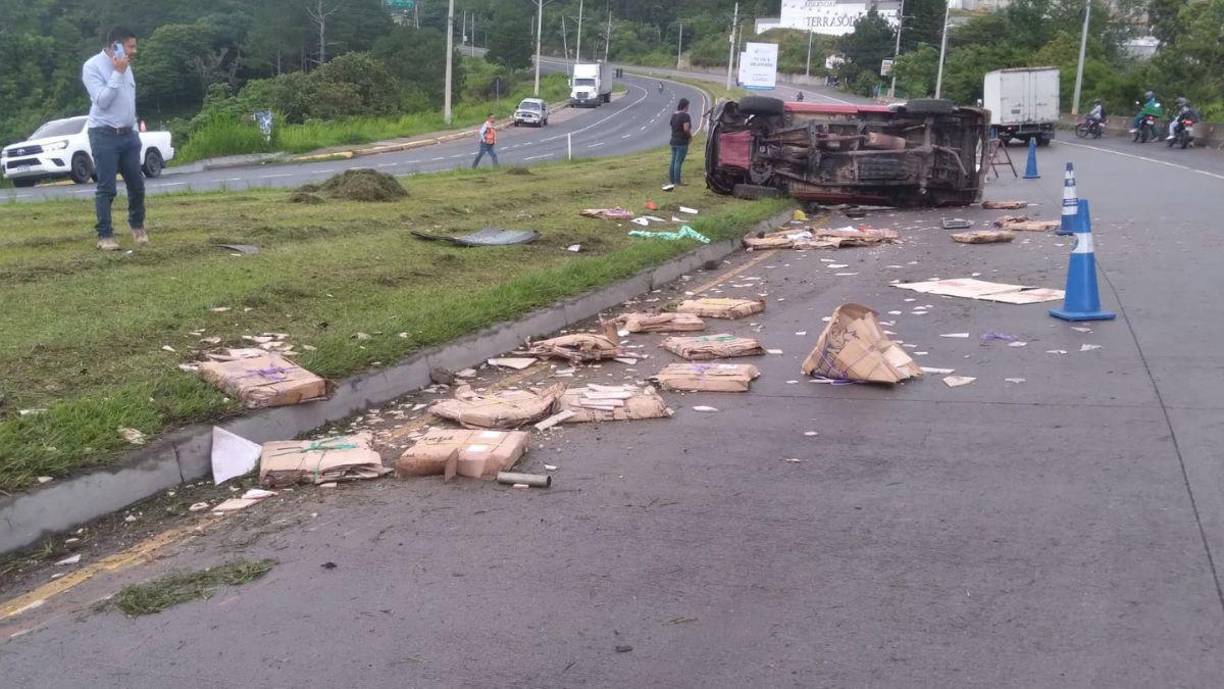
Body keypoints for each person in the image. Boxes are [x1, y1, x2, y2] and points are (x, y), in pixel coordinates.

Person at [82, 26, 146, 251]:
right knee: (107, 187)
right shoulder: (92, 66)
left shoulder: (127, 67)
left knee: (137, 185)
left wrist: (134, 128)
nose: (134, 51)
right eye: (130, 46)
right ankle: (105, 235)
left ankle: (137, 225)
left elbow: (128, 99)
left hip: (128, 135)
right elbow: (102, 100)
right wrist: (117, 72)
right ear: (114, 47)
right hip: (104, 134)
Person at [663, 98, 692, 191]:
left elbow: (672, 125)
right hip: (682, 141)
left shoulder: (674, 115)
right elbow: (686, 129)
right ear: (685, 106)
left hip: (673, 140)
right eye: (688, 106)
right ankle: (677, 181)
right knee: (678, 161)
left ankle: (672, 180)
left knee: (673, 161)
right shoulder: (685, 116)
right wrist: (690, 136)